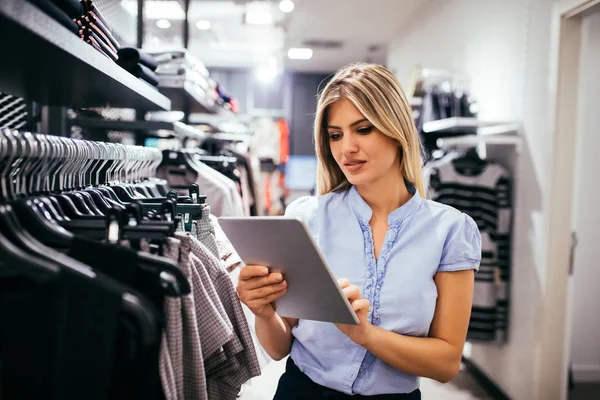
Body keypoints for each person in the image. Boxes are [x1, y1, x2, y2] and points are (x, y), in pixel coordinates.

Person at [236, 63, 482, 399]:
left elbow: (446, 362)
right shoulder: (306, 218)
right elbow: (280, 348)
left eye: (363, 129)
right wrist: (263, 312)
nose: (346, 148)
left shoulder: (451, 230)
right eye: (335, 135)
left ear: (396, 130)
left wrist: (365, 334)